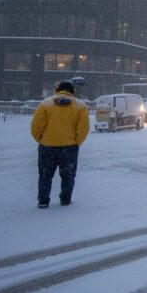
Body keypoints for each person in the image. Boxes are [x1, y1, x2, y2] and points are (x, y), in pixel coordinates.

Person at [31, 80, 89, 208]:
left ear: (57, 90)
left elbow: (36, 126)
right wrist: (77, 142)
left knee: (45, 175)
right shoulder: (80, 106)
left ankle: (43, 200)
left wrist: (40, 139)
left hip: (47, 146)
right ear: (72, 91)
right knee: (68, 176)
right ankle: (65, 199)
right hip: (69, 147)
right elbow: (83, 128)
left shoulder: (45, 104)